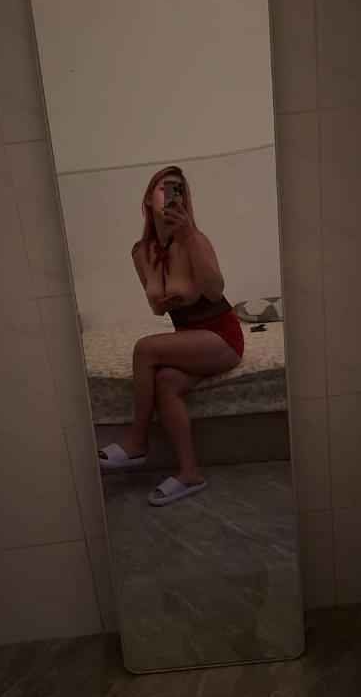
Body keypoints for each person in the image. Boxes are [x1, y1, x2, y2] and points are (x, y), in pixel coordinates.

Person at [98, 165, 245, 505]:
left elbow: (215, 291)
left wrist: (190, 239)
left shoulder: (196, 240)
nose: (170, 195)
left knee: (144, 349)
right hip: (189, 339)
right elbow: (155, 307)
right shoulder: (141, 252)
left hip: (221, 337)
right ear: (148, 199)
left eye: (178, 190)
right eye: (163, 188)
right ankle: (190, 473)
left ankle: (137, 441)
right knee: (165, 381)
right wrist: (163, 303)